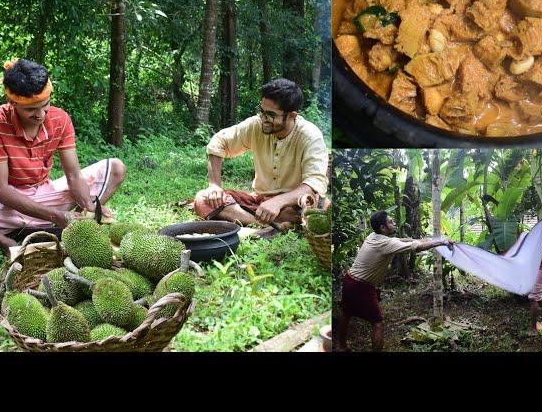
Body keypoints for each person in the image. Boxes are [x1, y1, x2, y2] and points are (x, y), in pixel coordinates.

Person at [0, 58, 126, 257]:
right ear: (11, 102)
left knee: (116, 168)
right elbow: (1, 190)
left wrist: (90, 205)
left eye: (45, 105)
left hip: (42, 195)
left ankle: (74, 225)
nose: (40, 115)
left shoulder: (60, 119)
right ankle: (7, 242)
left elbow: (74, 176)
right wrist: (56, 215)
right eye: (30, 109)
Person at [193, 78, 329, 236]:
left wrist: (278, 202)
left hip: (293, 205)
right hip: (260, 203)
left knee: (320, 208)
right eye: (262, 111)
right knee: (203, 199)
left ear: (292, 116)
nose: (264, 119)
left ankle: (265, 223)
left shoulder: (311, 136)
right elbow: (218, 142)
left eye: (271, 115)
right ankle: (266, 227)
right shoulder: (256, 125)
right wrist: (214, 185)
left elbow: (313, 185)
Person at [336, 210, 453, 352]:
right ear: (383, 228)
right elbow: (417, 247)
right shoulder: (386, 244)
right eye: (390, 222)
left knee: (346, 313)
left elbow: (403, 241)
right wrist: (442, 242)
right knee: (377, 323)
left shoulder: (373, 236)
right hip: (362, 286)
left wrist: (422, 239)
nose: (394, 223)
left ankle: (342, 346)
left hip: (350, 280)